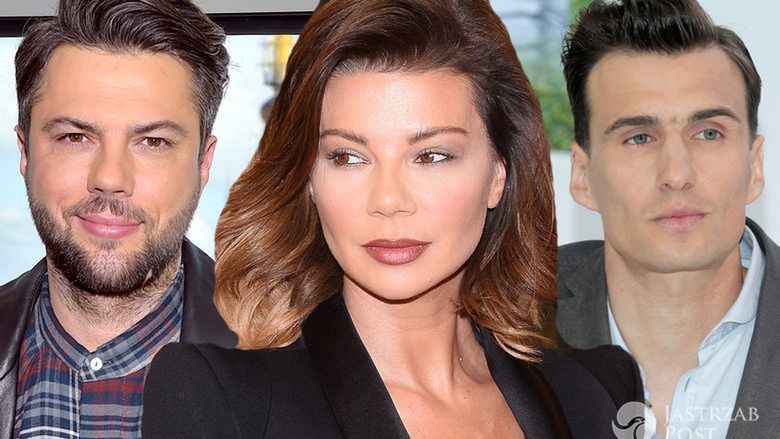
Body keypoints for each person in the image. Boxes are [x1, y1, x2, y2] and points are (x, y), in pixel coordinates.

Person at [143, 0, 642, 437]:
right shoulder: (222, 400)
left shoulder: (597, 392)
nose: (387, 199)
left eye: (432, 156)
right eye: (348, 157)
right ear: (308, 179)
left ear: (498, 174)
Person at [0, 0, 234, 438]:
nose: (109, 178)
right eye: (75, 137)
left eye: (153, 142)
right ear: (25, 152)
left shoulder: (301, 370)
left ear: (203, 163)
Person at [555, 0, 776, 438]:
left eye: (708, 133)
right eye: (639, 137)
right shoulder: (503, 325)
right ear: (582, 176)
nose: (676, 175)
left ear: (754, 166)